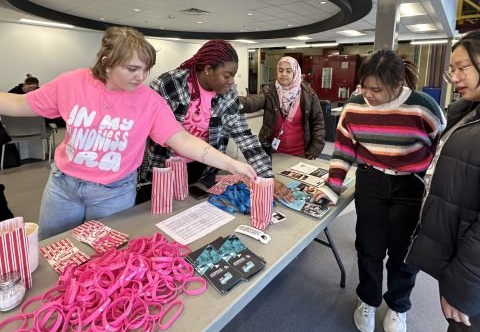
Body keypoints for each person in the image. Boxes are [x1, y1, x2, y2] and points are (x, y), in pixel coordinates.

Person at [0, 27, 256, 240]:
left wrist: (231, 163)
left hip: (114, 191)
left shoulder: (149, 101)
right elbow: (20, 104)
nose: (141, 77)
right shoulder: (72, 82)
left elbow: (183, 140)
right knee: (50, 251)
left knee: (103, 258)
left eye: (145, 69)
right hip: (63, 186)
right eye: (132, 69)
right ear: (107, 63)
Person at [318, 49, 445, 332]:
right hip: (371, 181)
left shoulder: (422, 107)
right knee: (369, 247)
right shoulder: (353, 107)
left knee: (404, 252)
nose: (369, 94)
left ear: (397, 84)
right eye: (364, 86)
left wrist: (432, 184)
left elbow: (440, 147)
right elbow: (344, 149)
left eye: (377, 89)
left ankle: (398, 305)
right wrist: (332, 185)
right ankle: (368, 300)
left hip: (410, 185)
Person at [406, 29, 480, 332]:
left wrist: (465, 287)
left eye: (463, 68)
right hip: (466, 261)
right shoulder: (474, 112)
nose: (455, 77)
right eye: (452, 69)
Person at [141, 40, 292, 201]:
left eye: (233, 76)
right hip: (165, 167)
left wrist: (266, 177)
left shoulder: (228, 94)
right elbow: (144, 132)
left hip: (205, 168)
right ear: (208, 69)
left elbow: (245, 136)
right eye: (227, 76)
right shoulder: (168, 85)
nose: (232, 81)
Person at [240, 56, 325, 160]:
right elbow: (252, 102)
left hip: (301, 153)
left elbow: (318, 123)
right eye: (281, 70)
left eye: (288, 71)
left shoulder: (308, 94)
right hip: (273, 153)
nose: (284, 74)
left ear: (295, 73)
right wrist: (232, 101)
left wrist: (315, 149)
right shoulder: (270, 92)